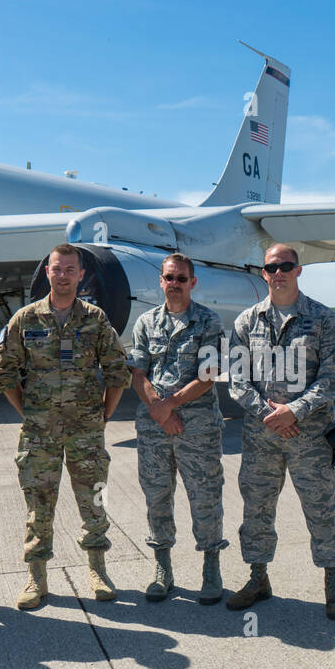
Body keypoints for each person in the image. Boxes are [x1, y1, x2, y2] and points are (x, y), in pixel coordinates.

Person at [0, 244, 130, 606]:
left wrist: (105, 415)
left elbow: (118, 371)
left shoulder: (96, 319)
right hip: (40, 431)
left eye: (71, 269)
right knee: (38, 504)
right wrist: (28, 411)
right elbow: (4, 372)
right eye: (57, 269)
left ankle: (98, 571)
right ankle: (36, 578)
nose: (64, 275)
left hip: (86, 429)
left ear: (81, 274)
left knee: (94, 500)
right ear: (48, 273)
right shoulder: (26, 319)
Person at [226, 243, 335, 619]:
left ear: (298, 270)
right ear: (263, 273)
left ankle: (333, 581)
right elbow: (236, 380)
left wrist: (294, 411)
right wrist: (270, 414)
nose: (278, 272)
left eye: (286, 266)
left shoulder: (324, 320)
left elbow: (332, 377)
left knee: (320, 509)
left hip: (309, 438)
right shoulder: (247, 322)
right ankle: (258, 576)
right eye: (271, 267)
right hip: (261, 438)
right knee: (257, 508)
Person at [127, 253, 228, 604]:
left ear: (192, 283)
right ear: (161, 281)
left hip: (196, 427)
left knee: (205, 497)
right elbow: (137, 371)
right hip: (155, 428)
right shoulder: (146, 323)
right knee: (156, 496)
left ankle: (211, 567)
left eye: (181, 278)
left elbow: (209, 375)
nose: (175, 284)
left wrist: (169, 405)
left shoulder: (208, 321)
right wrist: (158, 407)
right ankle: (162, 567)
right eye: (169, 277)